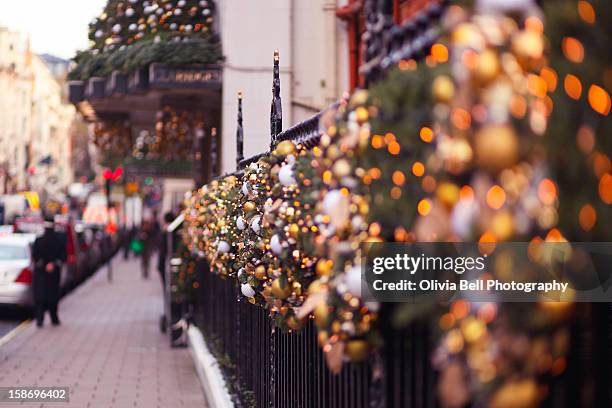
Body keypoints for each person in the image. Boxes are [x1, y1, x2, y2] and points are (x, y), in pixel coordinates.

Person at [32, 215, 67, 327]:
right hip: (53, 273)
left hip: (41, 273)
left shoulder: (39, 240)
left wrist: (43, 265)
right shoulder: (59, 239)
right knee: (53, 296)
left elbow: (35, 256)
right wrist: (54, 264)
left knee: (41, 297)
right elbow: (63, 256)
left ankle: (40, 319)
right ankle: (54, 318)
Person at [157, 212, 177, 287]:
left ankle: (166, 285)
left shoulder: (168, 229)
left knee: (163, 269)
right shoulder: (167, 229)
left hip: (165, 254)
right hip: (164, 253)